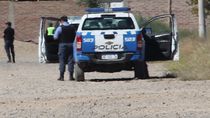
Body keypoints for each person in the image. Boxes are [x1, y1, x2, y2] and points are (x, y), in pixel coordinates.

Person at [54, 16, 76, 81]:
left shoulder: (60, 28)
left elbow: (55, 37)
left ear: (61, 21)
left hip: (62, 45)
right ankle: (71, 76)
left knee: (62, 60)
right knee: (71, 60)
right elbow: (75, 35)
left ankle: (61, 76)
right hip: (71, 44)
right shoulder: (72, 27)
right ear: (67, 20)